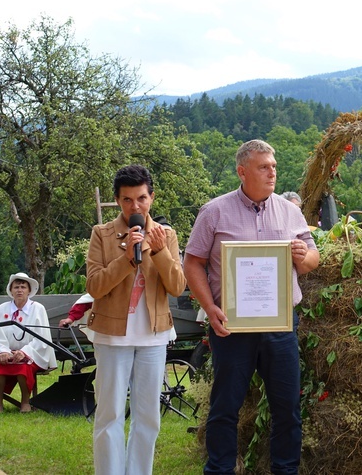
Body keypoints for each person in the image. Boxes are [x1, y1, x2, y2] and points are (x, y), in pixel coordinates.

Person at [183, 139, 319, 475]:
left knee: (286, 408)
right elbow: (192, 263)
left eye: (273, 165)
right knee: (225, 407)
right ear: (243, 171)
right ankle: (220, 469)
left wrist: (304, 257)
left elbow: (312, 257)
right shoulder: (214, 211)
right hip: (231, 326)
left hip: (280, 325)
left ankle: (285, 471)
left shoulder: (290, 211)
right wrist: (209, 306)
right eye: (263, 166)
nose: (272, 171)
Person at [86, 165, 186, 475]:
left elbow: (178, 286)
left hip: (154, 337)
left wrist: (159, 252)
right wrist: (127, 258)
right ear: (117, 200)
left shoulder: (165, 235)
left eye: (141, 198)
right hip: (112, 336)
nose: (135, 207)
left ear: (151, 198)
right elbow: (95, 286)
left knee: (148, 416)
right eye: (127, 200)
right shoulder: (101, 234)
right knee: (110, 414)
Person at [0, 273, 57, 413]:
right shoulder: (2, 309)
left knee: (23, 368)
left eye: (23, 287)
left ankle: (25, 402)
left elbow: (42, 337)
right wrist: (3, 351)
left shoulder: (38, 308)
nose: (19, 290)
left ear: (29, 290)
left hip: (31, 353)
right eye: (16, 287)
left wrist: (24, 352)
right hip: (6, 352)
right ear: (10, 290)